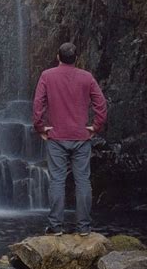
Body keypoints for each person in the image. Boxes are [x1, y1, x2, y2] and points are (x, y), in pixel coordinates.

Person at [33, 42, 107, 236]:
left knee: (57, 181)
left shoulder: (47, 76)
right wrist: (95, 126)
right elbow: (101, 104)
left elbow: (38, 104)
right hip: (81, 137)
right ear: (76, 58)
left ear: (58, 56)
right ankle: (84, 228)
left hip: (56, 136)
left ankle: (56, 227)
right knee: (83, 181)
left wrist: (40, 127)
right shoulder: (87, 77)